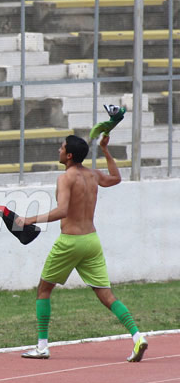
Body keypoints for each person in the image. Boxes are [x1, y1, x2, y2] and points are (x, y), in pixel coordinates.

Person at [16, 133, 148, 362]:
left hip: (70, 241)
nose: (58, 150)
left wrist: (30, 219)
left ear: (68, 155)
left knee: (43, 289)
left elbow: (62, 211)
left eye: (61, 147)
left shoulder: (66, 178)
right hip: (91, 241)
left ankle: (42, 346)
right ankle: (137, 336)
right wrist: (106, 150)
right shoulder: (93, 175)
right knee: (106, 294)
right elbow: (116, 178)